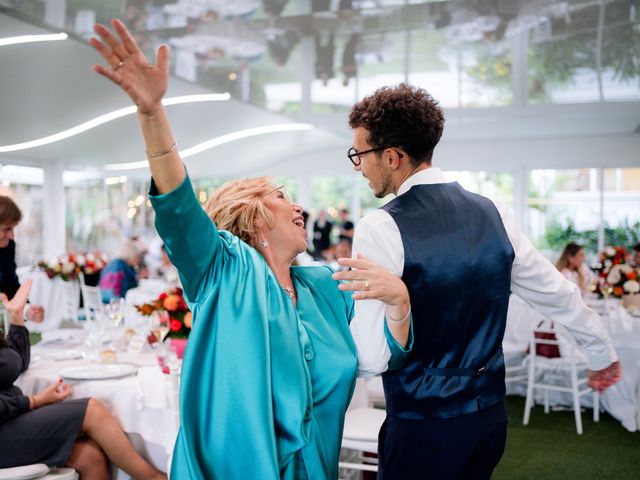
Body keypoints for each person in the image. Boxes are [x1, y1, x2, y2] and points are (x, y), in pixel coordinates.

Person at [89, 19, 412, 479]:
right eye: (281, 196)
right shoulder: (223, 269)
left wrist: (399, 305)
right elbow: (179, 208)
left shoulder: (327, 286)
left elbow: (379, 354)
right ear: (251, 214)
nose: (299, 205)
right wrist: (150, 113)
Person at [339, 83, 621, 479]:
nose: (358, 167)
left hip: (424, 427)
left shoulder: (380, 227)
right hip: (488, 420)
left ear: (392, 157)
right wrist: (600, 349)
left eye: (360, 155)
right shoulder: (494, 212)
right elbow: (555, 291)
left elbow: (370, 358)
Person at [0, 280, 166, 479]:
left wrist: (16, 317)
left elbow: (15, 363)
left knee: (90, 456)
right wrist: (33, 402)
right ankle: (154, 478)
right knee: (92, 410)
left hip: (9, 419)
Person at [0, 196, 44, 324]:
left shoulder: (8, 247)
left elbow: (10, 284)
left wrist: (27, 310)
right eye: (6, 229)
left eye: (13, 228)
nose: (12, 235)